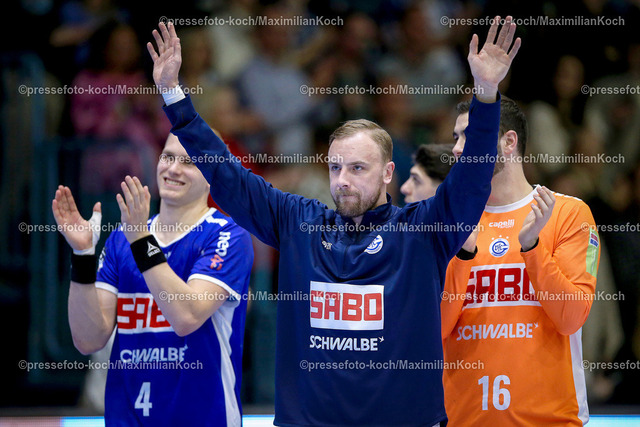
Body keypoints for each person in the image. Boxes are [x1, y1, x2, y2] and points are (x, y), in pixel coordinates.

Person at [148, 17, 520, 426]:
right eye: (335, 167)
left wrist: (486, 94)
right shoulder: (298, 223)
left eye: (358, 168)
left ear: (387, 172)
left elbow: (471, 179)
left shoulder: (423, 231)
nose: (342, 180)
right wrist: (173, 95)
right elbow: (228, 175)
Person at [52, 133, 254, 426]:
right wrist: (82, 254)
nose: (173, 169)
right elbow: (88, 339)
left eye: (189, 162)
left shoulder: (228, 235)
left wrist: (140, 239)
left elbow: (186, 316)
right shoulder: (122, 239)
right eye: (168, 157)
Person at [441, 97, 600, 425]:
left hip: (551, 421)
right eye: (455, 138)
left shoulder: (569, 213)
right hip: (463, 419)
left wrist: (532, 248)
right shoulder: (446, 220)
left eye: (469, 136)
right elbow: (434, 328)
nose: (456, 149)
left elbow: (571, 318)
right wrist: (463, 255)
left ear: (509, 141)